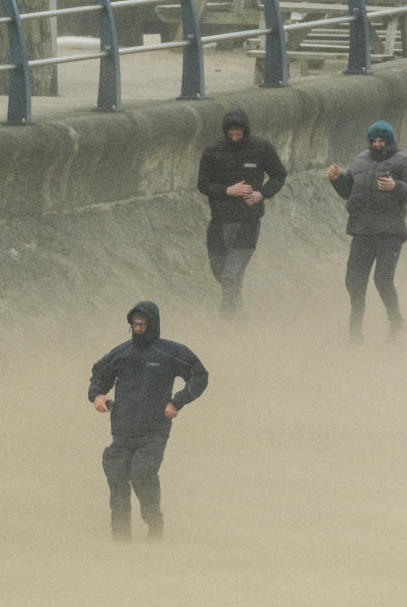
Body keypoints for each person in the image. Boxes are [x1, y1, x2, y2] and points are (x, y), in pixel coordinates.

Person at [88, 301, 208, 541]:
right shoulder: (122, 353)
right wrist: (97, 395)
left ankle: (155, 525)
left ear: (153, 325)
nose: (139, 329)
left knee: (142, 474)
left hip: (154, 431)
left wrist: (177, 402)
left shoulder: (170, 352)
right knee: (117, 477)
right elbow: (99, 374)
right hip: (121, 431)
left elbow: (199, 375)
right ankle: (120, 539)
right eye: (135, 325)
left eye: (143, 324)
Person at [327, 120, 407, 342]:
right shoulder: (360, 160)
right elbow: (348, 191)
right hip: (362, 230)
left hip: (390, 232)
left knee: (383, 280)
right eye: (374, 140)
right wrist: (336, 179)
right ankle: (355, 332)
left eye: (382, 140)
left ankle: (396, 322)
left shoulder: (405, 160)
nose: (378, 144)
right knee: (354, 281)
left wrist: (395, 186)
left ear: (390, 141)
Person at [197, 108, 287, 318]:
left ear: (245, 132)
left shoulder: (261, 148)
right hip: (220, 221)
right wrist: (228, 190)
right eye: (231, 134)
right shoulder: (213, 151)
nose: (235, 138)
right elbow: (203, 184)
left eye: (239, 134)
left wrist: (261, 194)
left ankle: (227, 321)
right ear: (226, 132)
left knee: (230, 275)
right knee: (219, 270)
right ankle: (240, 309)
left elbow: (279, 175)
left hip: (248, 222)